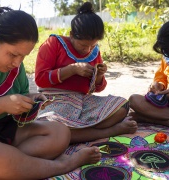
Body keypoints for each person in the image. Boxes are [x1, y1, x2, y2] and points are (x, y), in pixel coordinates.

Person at [0, 7, 102, 180]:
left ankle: (10, 165)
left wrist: (30, 101)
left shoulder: (15, 67)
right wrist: (3, 104)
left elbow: (22, 96)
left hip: (6, 129)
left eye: (23, 57)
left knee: (60, 133)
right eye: (13, 54)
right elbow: (6, 102)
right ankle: (63, 165)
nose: (17, 62)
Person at [35, 2, 137, 144]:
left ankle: (77, 131)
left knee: (121, 106)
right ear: (71, 35)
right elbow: (40, 79)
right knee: (49, 124)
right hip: (55, 100)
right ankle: (107, 131)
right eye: (83, 45)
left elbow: (97, 89)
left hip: (83, 102)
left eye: (92, 45)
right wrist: (72, 69)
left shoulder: (94, 52)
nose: (87, 50)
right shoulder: (54, 43)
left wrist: (99, 75)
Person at [129, 21, 169, 127]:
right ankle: (159, 118)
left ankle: (149, 119)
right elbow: (162, 76)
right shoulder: (167, 58)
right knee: (134, 100)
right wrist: (159, 85)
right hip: (165, 107)